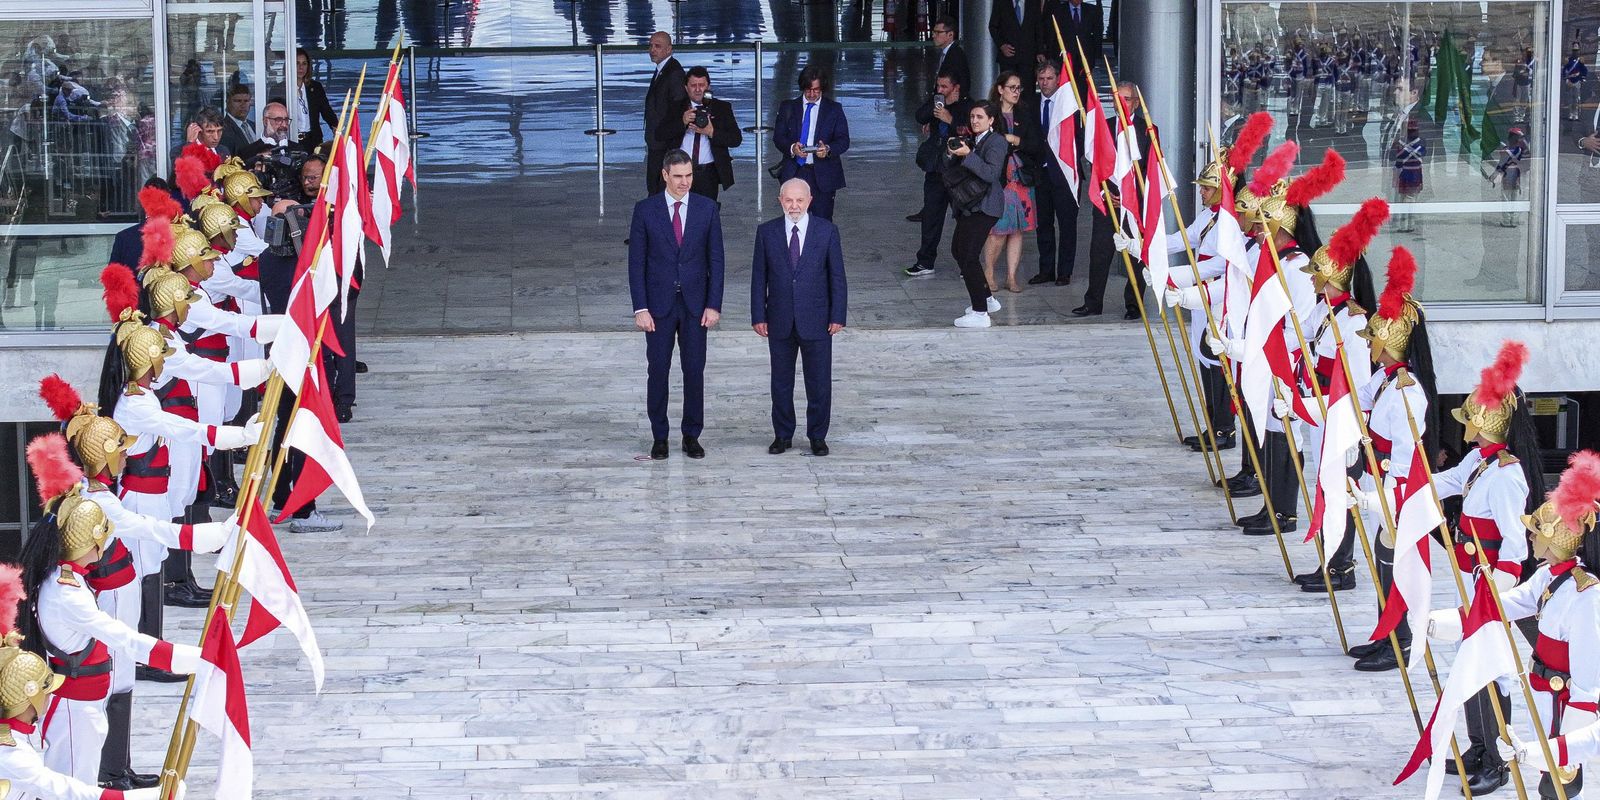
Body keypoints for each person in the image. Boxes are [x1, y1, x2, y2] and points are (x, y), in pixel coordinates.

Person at [1430, 450, 1600, 800]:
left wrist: (1572, 741)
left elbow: (1587, 680)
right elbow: (1502, 604)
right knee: (1545, 777)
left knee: (1560, 782)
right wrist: (1445, 622)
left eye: (1536, 532)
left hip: (1564, 701)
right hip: (1542, 691)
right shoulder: (1548, 576)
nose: (1530, 538)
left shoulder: (1586, 595)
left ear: (1555, 537)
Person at [1427, 342, 1545, 793]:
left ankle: (1496, 760)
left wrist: (1498, 588)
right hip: (1471, 579)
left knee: (1491, 668)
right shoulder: (1479, 462)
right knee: (1469, 660)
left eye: (1471, 423)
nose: (1466, 430)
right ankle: (1479, 746)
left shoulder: (1506, 476)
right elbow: (1447, 482)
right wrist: (1406, 485)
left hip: (1491, 584)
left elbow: (1514, 543)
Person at [628, 150, 725, 459]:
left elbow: (717, 260)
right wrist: (640, 308)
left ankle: (691, 435)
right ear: (665, 175)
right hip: (658, 306)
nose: (685, 182)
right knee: (658, 370)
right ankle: (660, 436)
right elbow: (636, 263)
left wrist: (714, 304)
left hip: (696, 305)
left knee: (694, 370)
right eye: (679, 176)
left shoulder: (707, 209)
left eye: (689, 175)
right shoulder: (645, 210)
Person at [751, 179, 846, 456]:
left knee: (819, 382)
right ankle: (782, 435)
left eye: (799, 200)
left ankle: (817, 436)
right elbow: (759, 277)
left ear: (809, 201)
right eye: (789, 200)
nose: (794, 206)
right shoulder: (766, 232)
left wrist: (837, 315)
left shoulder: (826, 231)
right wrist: (758, 314)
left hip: (817, 319)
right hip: (779, 319)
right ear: (780, 201)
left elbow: (837, 277)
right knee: (781, 382)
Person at [1076, 82, 1147, 319]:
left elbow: (1148, 172)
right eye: (1117, 98)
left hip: (1134, 205)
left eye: (1126, 99)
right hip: (1107, 203)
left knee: (1136, 255)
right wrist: (1105, 194)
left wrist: (1129, 197)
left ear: (1135, 103)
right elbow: (1096, 166)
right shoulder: (1103, 127)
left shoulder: (1147, 129)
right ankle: (1093, 303)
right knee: (1099, 253)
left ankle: (1134, 305)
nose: (1120, 103)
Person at [905, 69, 972, 278]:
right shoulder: (937, 101)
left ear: (956, 87)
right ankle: (925, 261)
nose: (940, 90)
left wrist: (950, 119)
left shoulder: (967, 106)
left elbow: (971, 131)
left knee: (963, 218)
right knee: (931, 215)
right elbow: (919, 116)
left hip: (959, 171)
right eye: (938, 86)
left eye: (945, 87)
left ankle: (967, 264)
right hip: (936, 169)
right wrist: (936, 106)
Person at [949, 101, 1008, 329]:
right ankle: (988, 300)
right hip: (971, 205)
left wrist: (969, 154)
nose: (974, 121)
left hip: (986, 206)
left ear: (991, 120)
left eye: (980, 117)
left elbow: (991, 173)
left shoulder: (997, 142)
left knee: (969, 255)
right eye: (973, 116)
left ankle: (980, 311)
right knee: (958, 250)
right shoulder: (975, 139)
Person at [982, 72, 1039, 294]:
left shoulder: (1024, 113)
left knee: (1018, 230)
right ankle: (988, 272)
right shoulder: (990, 113)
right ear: (1000, 89)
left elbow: (1036, 145)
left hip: (1021, 179)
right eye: (1012, 87)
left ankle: (1011, 277)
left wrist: (1016, 140)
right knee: (997, 229)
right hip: (999, 179)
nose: (1016, 92)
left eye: (1019, 88)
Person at [773, 66, 849, 221]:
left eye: (816, 90)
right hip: (796, 171)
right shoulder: (788, 107)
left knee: (823, 222)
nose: (812, 94)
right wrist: (792, 148)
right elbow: (778, 137)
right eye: (808, 90)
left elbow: (843, 140)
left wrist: (827, 149)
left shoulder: (834, 109)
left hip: (823, 174)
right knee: (794, 220)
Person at [656, 66, 741, 202]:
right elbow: (659, 134)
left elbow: (736, 139)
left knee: (705, 211)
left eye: (701, 85)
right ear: (686, 88)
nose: (697, 89)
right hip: (678, 171)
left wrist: (711, 132)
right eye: (693, 85)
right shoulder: (675, 107)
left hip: (707, 174)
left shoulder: (722, 108)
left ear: (708, 86)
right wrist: (682, 122)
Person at [1028, 61, 1078, 286]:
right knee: (1044, 225)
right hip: (1041, 174)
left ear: (1058, 79)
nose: (1045, 83)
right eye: (1041, 79)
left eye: (1049, 78)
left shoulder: (1070, 106)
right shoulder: (1030, 104)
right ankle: (1046, 270)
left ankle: (1064, 271)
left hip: (1065, 175)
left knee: (1067, 225)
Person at [643, 32, 687, 195]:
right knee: (654, 185)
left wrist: (669, 143)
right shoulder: (662, 70)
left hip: (663, 143)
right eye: (651, 46)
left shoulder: (674, 73)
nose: (652, 50)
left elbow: (676, 110)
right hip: (657, 141)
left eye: (657, 46)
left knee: (658, 187)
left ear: (669, 49)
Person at [1045, 0, 1102, 97]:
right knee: (1063, 88)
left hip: (1085, 58)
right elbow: (1051, 35)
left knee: (1083, 90)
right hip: (1063, 58)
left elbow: (1097, 35)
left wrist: (1096, 56)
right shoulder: (1058, 10)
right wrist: (1049, 56)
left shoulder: (1092, 10)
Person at [989, 0, 1040, 95]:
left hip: (1027, 59)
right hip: (1008, 58)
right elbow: (993, 26)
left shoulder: (1033, 2)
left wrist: (1040, 51)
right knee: (1008, 89)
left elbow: (1038, 27)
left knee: (1027, 92)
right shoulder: (1001, 2)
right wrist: (1001, 45)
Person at [292, 48, 338, 149]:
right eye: (297, 63)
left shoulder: (316, 87)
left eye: (304, 63)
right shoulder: (280, 89)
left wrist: (336, 126)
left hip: (313, 141)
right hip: (291, 141)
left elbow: (326, 111)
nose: (300, 67)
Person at [1389, 118, 1426, 233]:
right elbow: (1424, 153)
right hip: (1416, 174)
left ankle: (1404, 225)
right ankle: (1410, 224)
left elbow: (1398, 162)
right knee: (1412, 199)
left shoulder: (1401, 146)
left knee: (1404, 199)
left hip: (1405, 175)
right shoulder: (1421, 144)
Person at [927, 16, 970, 98]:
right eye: (933, 32)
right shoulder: (947, 53)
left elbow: (962, 85)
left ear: (950, 34)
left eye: (938, 32)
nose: (934, 36)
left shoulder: (956, 55)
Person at [220, 84, 254, 156]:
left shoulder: (253, 125)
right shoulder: (223, 129)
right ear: (228, 102)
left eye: (246, 101)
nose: (243, 105)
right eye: (238, 101)